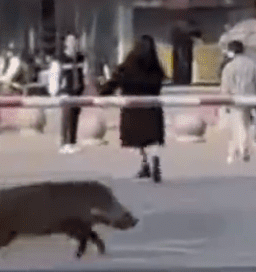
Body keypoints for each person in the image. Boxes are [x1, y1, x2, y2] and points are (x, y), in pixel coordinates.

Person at [100, 35, 167, 181]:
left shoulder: (129, 65)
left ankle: (145, 164)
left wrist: (102, 91)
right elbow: (159, 83)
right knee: (153, 138)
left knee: (139, 140)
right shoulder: (155, 66)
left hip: (133, 109)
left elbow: (114, 82)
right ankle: (154, 158)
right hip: (151, 107)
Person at [220, 39, 256, 163]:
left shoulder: (229, 66)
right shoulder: (252, 64)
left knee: (240, 124)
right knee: (250, 122)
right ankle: (251, 146)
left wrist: (225, 101)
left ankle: (242, 148)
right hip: (253, 97)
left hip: (236, 98)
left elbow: (225, 85)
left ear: (231, 51)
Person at [48, 34, 88, 155]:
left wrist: (84, 88)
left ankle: (72, 142)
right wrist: (54, 92)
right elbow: (54, 75)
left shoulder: (81, 58)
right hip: (65, 91)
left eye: (75, 42)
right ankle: (64, 143)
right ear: (66, 43)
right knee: (66, 116)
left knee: (75, 116)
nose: (73, 44)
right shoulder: (60, 58)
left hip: (77, 92)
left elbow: (84, 73)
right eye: (70, 42)